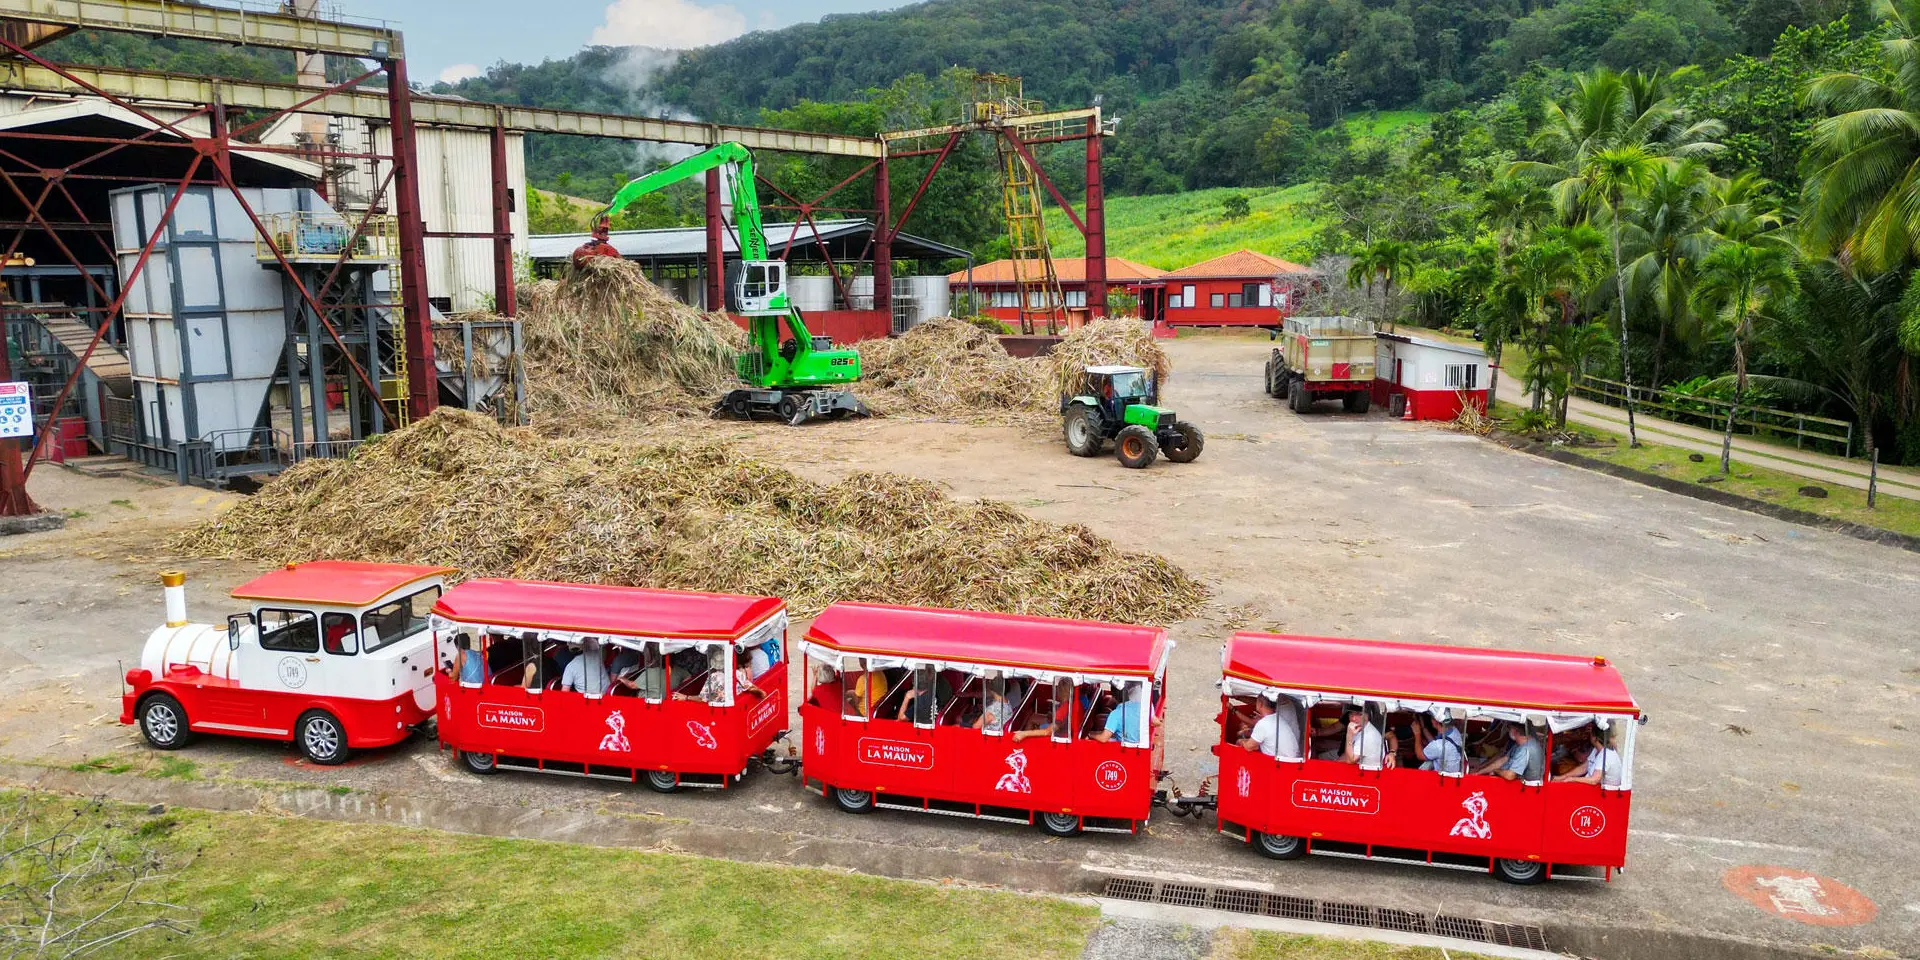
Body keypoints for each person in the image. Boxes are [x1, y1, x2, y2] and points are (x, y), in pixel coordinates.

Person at [1472, 723, 1544, 782]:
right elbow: (1502, 760)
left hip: (1520, 788)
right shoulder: (1519, 744)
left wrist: (1496, 771)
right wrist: (1480, 772)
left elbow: (1510, 776)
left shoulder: (1525, 749)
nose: (1508, 731)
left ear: (1515, 731)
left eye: (1509, 729)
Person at [1239, 694, 1303, 760]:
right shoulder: (1277, 717)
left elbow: (1248, 747)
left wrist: (1241, 742)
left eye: (1256, 701)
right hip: (1291, 758)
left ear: (1260, 704)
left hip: (1282, 763)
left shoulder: (1263, 723)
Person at [1554, 727, 1623, 787]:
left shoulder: (1606, 755)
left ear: (1595, 738)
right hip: (1593, 788)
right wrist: (1563, 777)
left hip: (1603, 793)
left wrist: (1572, 779)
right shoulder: (1597, 749)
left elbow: (1594, 780)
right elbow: (1584, 767)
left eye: (1591, 734)